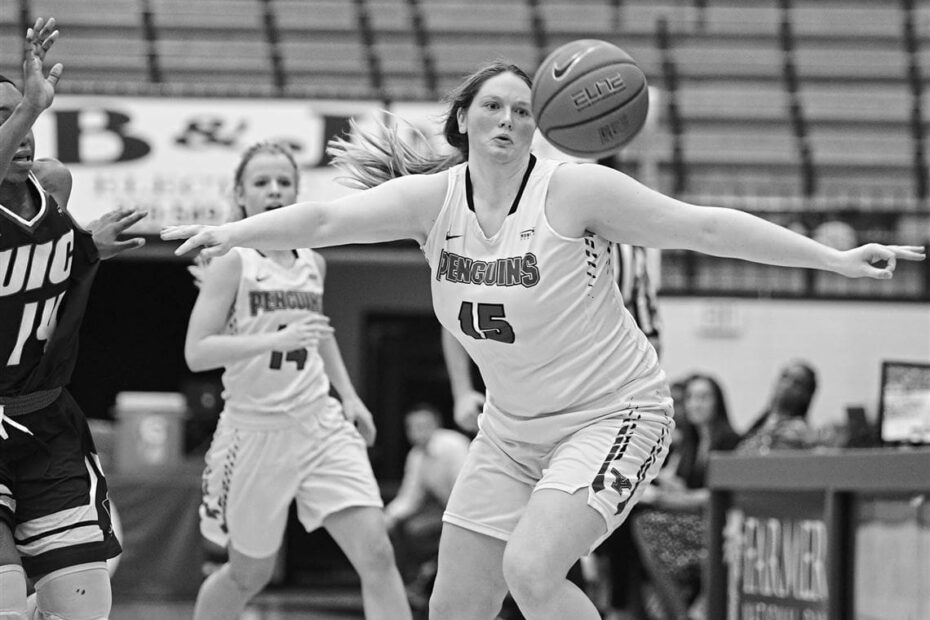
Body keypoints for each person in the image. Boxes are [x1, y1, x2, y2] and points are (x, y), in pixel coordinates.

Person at [162, 60, 924, 619]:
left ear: (543, 123)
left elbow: (702, 227)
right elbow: (323, 221)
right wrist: (225, 231)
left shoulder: (576, 191)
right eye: (492, 107)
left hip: (613, 415)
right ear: (462, 121)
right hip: (510, 431)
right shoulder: (434, 202)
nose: (507, 122)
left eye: (523, 111)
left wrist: (832, 257)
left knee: (532, 570)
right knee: (456, 605)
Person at [183, 140, 411, 620]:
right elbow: (197, 352)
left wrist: (349, 397)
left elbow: (318, 332)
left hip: (319, 423)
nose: (274, 191)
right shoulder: (233, 261)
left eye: (284, 182)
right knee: (249, 574)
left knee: (377, 555)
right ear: (240, 195)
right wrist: (272, 341)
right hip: (255, 432)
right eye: (261, 183)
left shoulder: (313, 259)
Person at [1, 18, 147, 620]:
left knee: (84, 607)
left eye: (20, 112)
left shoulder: (52, 191)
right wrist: (32, 104)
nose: (24, 129)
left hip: (44, 422)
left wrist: (87, 245)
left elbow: (42, 269)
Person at [632, 374, 740, 620]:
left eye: (704, 397)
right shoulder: (691, 444)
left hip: (720, 527)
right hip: (695, 521)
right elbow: (687, 489)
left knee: (645, 524)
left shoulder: (729, 441)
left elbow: (713, 497)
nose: (695, 404)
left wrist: (659, 497)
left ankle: (677, 613)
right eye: (691, 398)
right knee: (632, 523)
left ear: (718, 403)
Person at [385, 403, 470, 610]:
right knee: (398, 527)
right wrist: (387, 517)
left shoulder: (453, 444)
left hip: (468, 512)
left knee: (417, 530)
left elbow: (466, 490)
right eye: (412, 427)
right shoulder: (416, 455)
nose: (417, 432)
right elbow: (409, 498)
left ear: (435, 425)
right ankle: (410, 587)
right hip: (446, 511)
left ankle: (425, 580)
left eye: (422, 426)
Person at [736, 360, 818, 454]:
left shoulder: (799, 433)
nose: (787, 385)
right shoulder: (759, 426)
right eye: (785, 377)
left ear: (806, 395)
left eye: (797, 383)